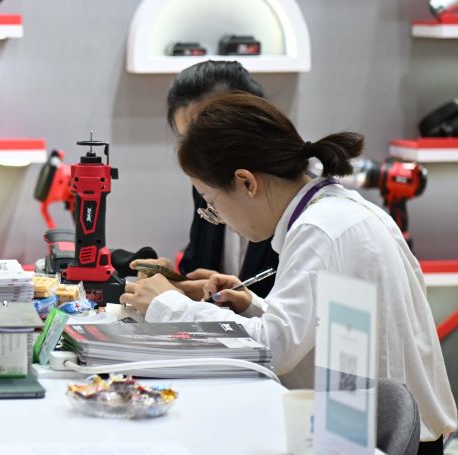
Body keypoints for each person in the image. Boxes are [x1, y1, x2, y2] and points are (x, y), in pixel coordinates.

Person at [122, 92, 457, 453]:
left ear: (247, 182)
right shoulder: (338, 210)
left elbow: (274, 349)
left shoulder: (320, 229)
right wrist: (251, 305)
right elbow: (321, 328)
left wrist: (168, 304)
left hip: (386, 443)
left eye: (212, 204)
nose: (220, 220)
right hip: (379, 430)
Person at [135, 60, 280, 298]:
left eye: (209, 137)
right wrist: (178, 282)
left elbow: (287, 312)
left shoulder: (292, 206)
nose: (201, 157)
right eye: (188, 141)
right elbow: (199, 270)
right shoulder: (206, 187)